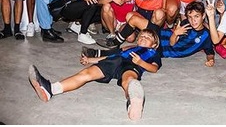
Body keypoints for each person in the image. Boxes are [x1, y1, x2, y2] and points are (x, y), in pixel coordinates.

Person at [28, 28, 161, 121]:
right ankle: (51, 89)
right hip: (114, 61)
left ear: (154, 44)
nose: (143, 38)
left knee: (129, 80)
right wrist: (90, 60)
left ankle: (133, 103)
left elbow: (154, 68)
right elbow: (112, 56)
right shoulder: (129, 47)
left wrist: (141, 62)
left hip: (132, 66)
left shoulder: (153, 53)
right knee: (86, 73)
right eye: (141, 36)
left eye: (148, 37)